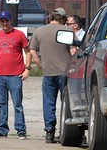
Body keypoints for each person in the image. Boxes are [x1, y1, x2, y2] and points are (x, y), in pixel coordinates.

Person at [29, 8, 76, 143]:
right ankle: (66, 131)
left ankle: (49, 132)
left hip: (48, 73)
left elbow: (32, 51)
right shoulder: (68, 31)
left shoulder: (39, 31)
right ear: (61, 18)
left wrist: (40, 65)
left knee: (48, 103)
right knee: (66, 103)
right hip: (65, 73)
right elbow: (74, 51)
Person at [0, 10, 32, 140]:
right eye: (2, 21)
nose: (4, 23)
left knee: (17, 104)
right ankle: (2, 130)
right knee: (1, 104)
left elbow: (28, 52)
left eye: (6, 20)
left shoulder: (19, 35)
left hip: (15, 75)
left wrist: (27, 69)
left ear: (10, 20)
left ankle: (21, 130)